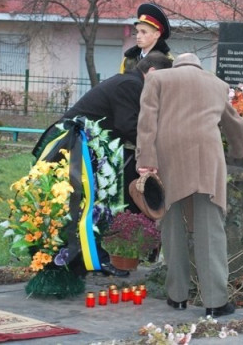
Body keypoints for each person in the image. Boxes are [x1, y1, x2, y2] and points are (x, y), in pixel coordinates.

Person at [136, 53, 243, 317]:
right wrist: (237, 153)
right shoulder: (217, 84)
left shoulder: (157, 78)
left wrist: (146, 159)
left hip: (168, 158)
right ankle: (215, 302)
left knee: (172, 224)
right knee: (210, 228)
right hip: (206, 158)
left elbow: (147, 120)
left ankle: (177, 296)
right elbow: (236, 125)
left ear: (177, 64)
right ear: (199, 66)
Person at [56, 51, 172, 277]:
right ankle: (94, 258)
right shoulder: (130, 85)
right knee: (92, 202)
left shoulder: (131, 83)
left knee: (97, 201)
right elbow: (128, 125)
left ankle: (99, 257)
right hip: (75, 145)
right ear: (152, 73)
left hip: (88, 145)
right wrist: (154, 151)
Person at [120, 3, 173, 73]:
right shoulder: (128, 59)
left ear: (156, 35)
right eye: (137, 31)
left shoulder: (167, 62)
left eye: (144, 32)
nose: (138, 36)